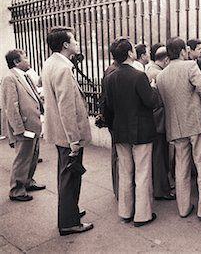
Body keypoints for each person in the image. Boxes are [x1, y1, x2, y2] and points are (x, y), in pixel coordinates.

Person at [103, 37, 161, 227]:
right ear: (129, 53)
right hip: (141, 131)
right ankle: (142, 215)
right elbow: (151, 102)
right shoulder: (138, 76)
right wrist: (153, 88)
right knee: (142, 173)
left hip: (120, 131)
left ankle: (126, 212)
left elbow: (107, 108)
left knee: (125, 172)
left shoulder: (109, 77)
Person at [41, 26, 93, 236]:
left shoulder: (51, 62)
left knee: (66, 175)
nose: (77, 44)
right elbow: (66, 108)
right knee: (70, 177)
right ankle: (69, 222)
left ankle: (69, 211)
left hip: (59, 132)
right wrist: (74, 139)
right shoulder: (62, 68)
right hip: (68, 134)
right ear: (65, 45)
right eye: (74, 40)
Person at [156, 37, 201, 220]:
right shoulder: (190, 66)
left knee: (181, 167)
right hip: (195, 122)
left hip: (175, 125)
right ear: (182, 51)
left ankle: (183, 207)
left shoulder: (161, 75)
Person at [2, 49, 46, 202]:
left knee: (32, 156)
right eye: (25, 57)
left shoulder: (25, 76)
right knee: (22, 158)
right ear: (16, 62)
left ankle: (28, 181)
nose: (28, 60)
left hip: (33, 124)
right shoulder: (10, 78)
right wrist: (19, 129)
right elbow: (11, 107)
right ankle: (16, 190)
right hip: (24, 127)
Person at [145, 45, 175, 201]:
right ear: (166, 59)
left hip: (154, 121)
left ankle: (161, 186)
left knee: (159, 155)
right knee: (160, 156)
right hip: (159, 121)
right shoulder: (159, 74)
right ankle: (161, 189)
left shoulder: (150, 69)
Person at [98, 59, 120, 200]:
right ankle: (119, 189)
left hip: (113, 119)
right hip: (116, 120)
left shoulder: (110, 69)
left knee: (116, 155)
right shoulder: (114, 71)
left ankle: (118, 189)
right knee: (118, 156)